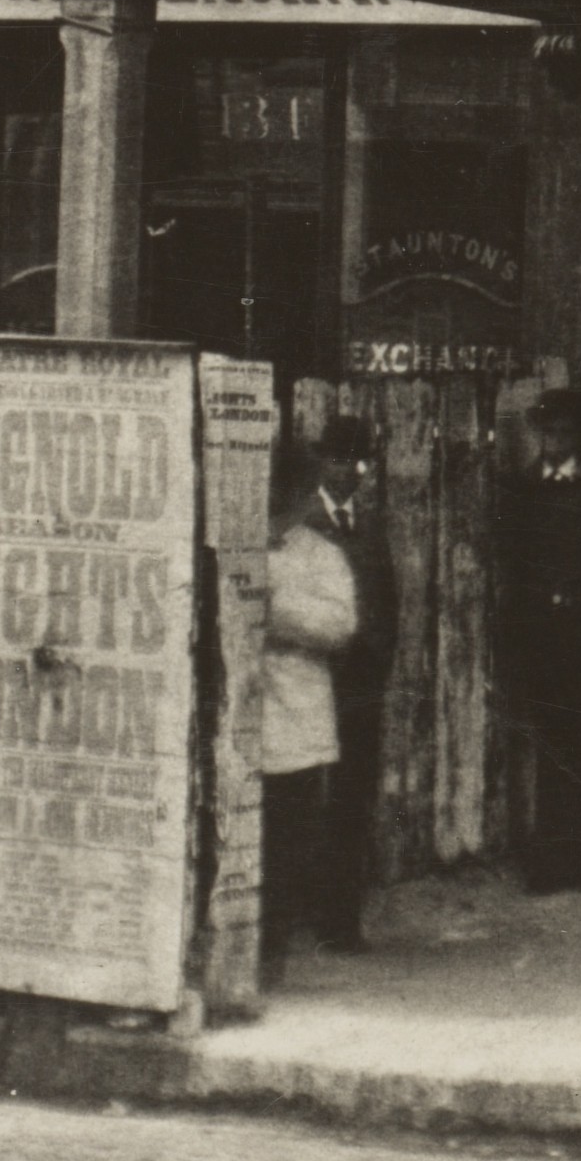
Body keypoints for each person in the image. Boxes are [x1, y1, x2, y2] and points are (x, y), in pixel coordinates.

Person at [495, 386, 581, 896]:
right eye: (546, 431)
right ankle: (556, 863)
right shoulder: (523, 490)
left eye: (562, 431)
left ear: (579, 435)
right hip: (544, 645)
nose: (553, 440)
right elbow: (511, 564)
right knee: (553, 752)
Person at [257, 443, 367, 978]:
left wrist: (272, 609)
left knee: (285, 838)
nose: (281, 507)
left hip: (296, 717)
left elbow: (340, 626)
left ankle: (269, 949)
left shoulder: (322, 555)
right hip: (236, 717)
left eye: (290, 498)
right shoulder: (223, 546)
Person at [289, 418, 398, 952]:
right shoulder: (301, 525)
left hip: (359, 684)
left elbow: (387, 601)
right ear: (321, 462)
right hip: (310, 680)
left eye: (358, 463)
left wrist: (378, 661)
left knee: (352, 796)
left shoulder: (371, 524)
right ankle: (293, 915)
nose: (349, 473)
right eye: (339, 460)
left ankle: (340, 920)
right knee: (303, 796)